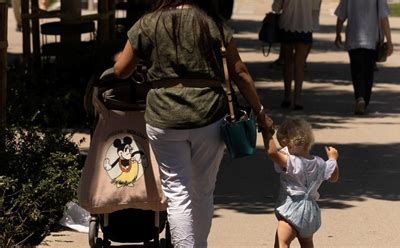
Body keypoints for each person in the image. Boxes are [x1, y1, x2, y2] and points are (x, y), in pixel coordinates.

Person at [113, 0, 273, 247]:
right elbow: (240, 72)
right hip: (208, 115)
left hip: (164, 117)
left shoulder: (148, 23)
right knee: (203, 191)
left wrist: (119, 59)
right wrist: (260, 113)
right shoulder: (212, 24)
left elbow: (121, 70)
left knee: (178, 193)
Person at [261, 118, 339, 248]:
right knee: (307, 243)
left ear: (289, 145)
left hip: (292, 211)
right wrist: (333, 159)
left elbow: (272, 153)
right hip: (310, 213)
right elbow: (333, 177)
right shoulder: (319, 162)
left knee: (282, 243)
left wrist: (266, 131)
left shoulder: (292, 162)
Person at [334, 0, 393, 115]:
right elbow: (383, 17)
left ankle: (359, 98)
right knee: (368, 72)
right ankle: (364, 101)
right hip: (371, 39)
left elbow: (341, 14)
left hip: (353, 38)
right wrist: (389, 41)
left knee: (357, 71)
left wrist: (338, 33)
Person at [272, 0, 322, 111]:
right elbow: (315, 8)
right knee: (300, 64)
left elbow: (276, 7)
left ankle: (287, 96)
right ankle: (298, 99)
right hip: (306, 25)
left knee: (288, 62)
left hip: (286, 24)